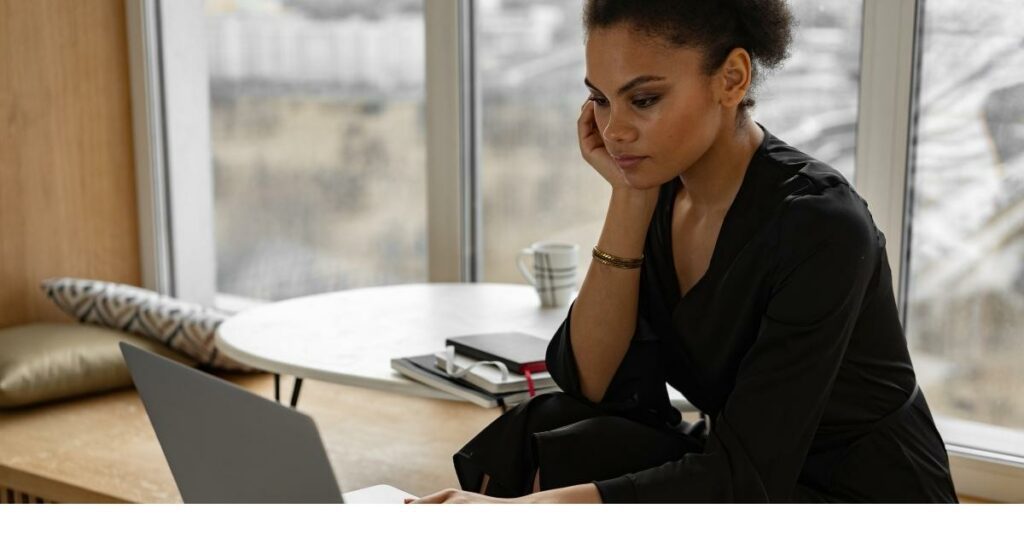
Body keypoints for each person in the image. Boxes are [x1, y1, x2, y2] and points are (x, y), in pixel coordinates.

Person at [408, 0, 958, 503]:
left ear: (732, 78)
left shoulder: (822, 227)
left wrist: (526, 512)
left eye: (643, 99)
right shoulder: (663, 187)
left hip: (849, 492)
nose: (614, 129)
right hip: (742, 472)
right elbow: (593, 383)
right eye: (600, 99)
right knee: (549, 422)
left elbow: (746, 479)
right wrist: (630, 196)